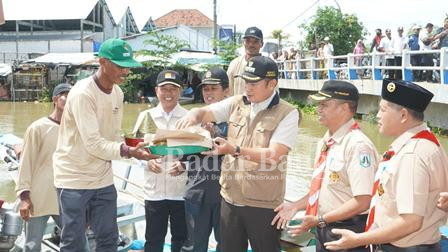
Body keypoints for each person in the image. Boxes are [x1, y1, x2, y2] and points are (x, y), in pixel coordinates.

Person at [176, 55, 300, 252]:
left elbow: (275, 155)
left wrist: (234, 150)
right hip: (230, 199)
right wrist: (194, 115)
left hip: (263, 204)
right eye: (246, 82)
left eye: (254, 83)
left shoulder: (288, 113)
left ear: (272, 84)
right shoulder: (236, 103)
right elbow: (206, 112)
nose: (247, 88)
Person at [53, 38, 157, 252]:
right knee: (73, 241)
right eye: (120, 66)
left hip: (102, 177)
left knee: (108, 238)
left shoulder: (118, 93)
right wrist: (129, 151)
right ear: (103, 62)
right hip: (74, 178)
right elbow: (93, 143)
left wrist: (135, 145)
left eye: (128, 67)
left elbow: (112, 135)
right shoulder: (83, 94)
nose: (126, 72)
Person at [324, 79, 448, 251]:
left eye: (383, 110)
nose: (378, 116)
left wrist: (358, 239)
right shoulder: (428, 143)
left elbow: (411, 222)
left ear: (403, 115)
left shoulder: (411, 155)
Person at [272, 80, 379, 252]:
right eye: (319, 104)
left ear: (344, 108)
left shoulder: (357, 146)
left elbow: (363, 201)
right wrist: (295, 206)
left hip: (348, 233)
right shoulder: (327, 140)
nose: (318, 109)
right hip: (324, 229)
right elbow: (322, 189)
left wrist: (320, 219)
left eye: (324, 104)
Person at [133, 70, 188, 252]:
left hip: (181, 191)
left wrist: (184, 164)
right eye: (164, 89)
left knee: (182, 240)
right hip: (154, 191)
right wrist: (146, 162)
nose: (168, 94)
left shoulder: (189, 118)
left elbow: (198, 153)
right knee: (153, 240)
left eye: (173, 89)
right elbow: (135, 149)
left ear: (180, 92)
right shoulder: (145, 117)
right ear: (156, 90)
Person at [15, 83, 71, 252]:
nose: (69, 99)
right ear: (55, 99)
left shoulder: (75, 129)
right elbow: (26, 162)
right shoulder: (38, 128)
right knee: (32, 245)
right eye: (65, 95)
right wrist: (24, 196)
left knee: (76, 240)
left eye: (72, 96)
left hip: (66, 196)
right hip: (38, 196)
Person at [181, 67, 229, 252]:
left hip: (225, 195)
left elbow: (239, 153)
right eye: (205, 89)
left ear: (226, 91)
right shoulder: (192, 119)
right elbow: (185, 155)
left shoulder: (237, 121)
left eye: (213, 88)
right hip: (196, 192)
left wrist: (214, 133)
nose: (208, 93)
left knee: (226, 245)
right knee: (194, 246)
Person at [227, 26, 263, 95]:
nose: (251, 45)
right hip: (238, 105)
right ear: (243, 43)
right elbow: (228, 92)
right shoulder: (234, 64)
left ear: (261, 44)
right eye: (248, 41)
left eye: (255, 41)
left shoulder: (267, 66)